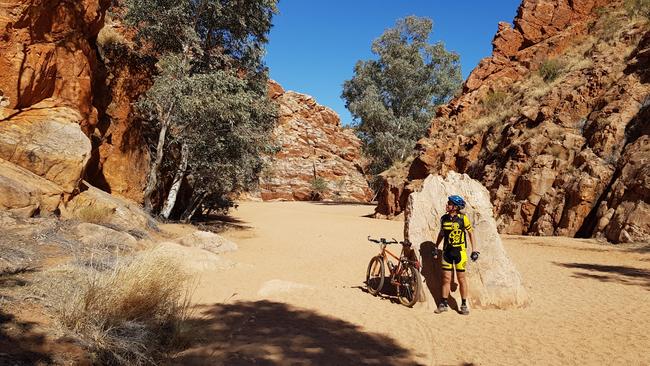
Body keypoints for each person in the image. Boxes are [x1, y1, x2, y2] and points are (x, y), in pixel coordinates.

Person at [432, 195, 479, 315]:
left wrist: (474, 250)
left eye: (449, 203)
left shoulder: (463, 218)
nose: (447, 205)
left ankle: (463, 304)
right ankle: (443, 303)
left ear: (455, 207)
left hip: (460, 253)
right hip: (447, 252)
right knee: (446, 278)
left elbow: (471, 233)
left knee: (461, 279)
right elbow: (442, 233)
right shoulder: (444, 218)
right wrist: (436, 247)